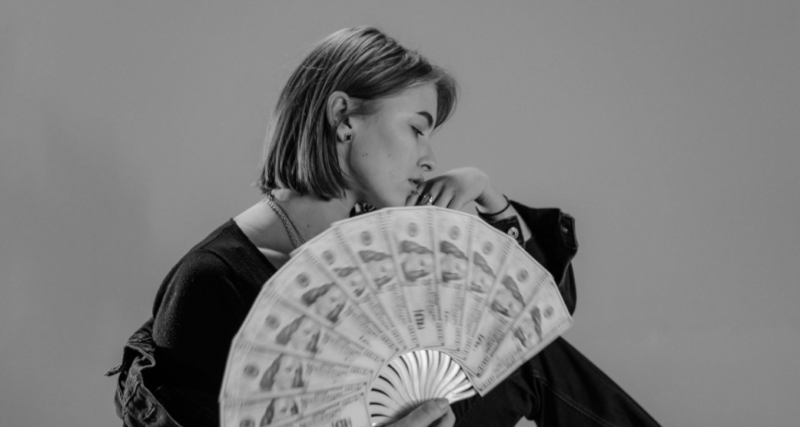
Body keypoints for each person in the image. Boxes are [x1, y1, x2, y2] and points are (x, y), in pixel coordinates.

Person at [108, 26, 661, 427]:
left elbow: (533, 319)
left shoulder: (381, 247)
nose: (429, 157)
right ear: (343, 117)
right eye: (418, 128)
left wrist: (489, 198)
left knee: (526, 359)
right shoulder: (211, 282)